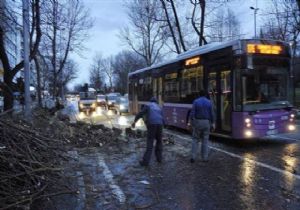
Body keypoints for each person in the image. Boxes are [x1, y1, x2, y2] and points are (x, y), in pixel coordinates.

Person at [131, 97, 164, 166]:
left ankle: (145, 161)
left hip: (152, 124)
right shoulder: (159, 107)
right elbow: (162, 117)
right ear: (156, 102)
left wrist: (134, 122)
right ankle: (159, 159)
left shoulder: (148, 105)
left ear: (150, 101)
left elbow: (140, 114)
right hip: (160, 125)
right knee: (159, 141)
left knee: (150, 142)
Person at [189, 90, 215, 163]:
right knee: (205, 140)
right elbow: (212, 114)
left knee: (195, 139)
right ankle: (205, 158)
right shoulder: (209, 102)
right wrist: (213, 123)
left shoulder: (196, 101)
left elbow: (192, 113)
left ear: (199, 95)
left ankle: (193, 157)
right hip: (206, 122)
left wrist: (190, 123)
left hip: (198, 122)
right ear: (206, 95)